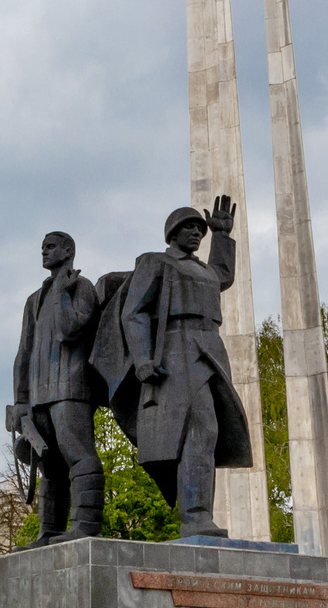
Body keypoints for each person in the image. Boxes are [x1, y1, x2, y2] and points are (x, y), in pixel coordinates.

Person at [98, 196, 253, 540]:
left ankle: (199, 516)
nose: (197, 234)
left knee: (210, 431)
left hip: (210, 347)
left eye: (200, 229)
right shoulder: (155, 263)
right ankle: (195, 517)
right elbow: (133, 312)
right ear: (172, 233)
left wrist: (223, 236)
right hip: (177, 348)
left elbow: (222, 276)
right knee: (199, 429)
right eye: (190, 228)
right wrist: (142, 359)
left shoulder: (203, 270)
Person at [10, 231, 106, 543]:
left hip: (71, 385)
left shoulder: (82, 288)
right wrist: (21, 401)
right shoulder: (34, 300)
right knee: (49, 466)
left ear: (68, 250)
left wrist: (64, 292)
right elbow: (23, 353)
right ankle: (49, 529)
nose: (44, 252)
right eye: (42, 248)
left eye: (50, 247)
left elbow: (69, 330)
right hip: (39, 394)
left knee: (78, 453)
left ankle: (86, 525)